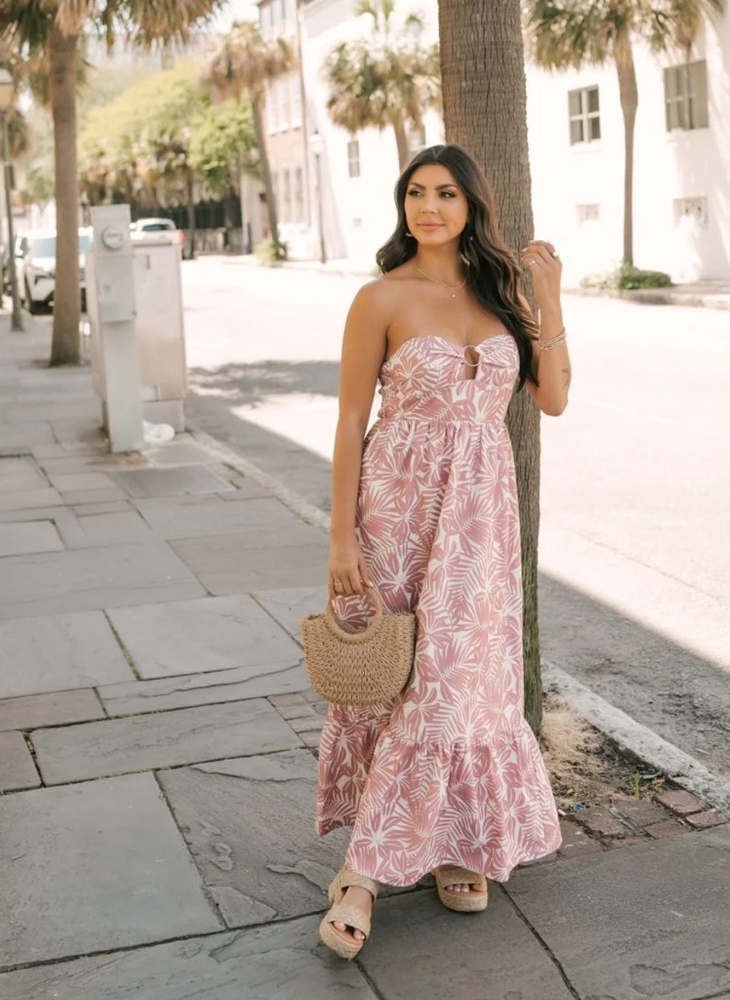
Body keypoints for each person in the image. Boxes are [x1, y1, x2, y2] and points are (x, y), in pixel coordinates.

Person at [316, 143, 571, 960]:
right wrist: (339, 534)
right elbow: (351, 421)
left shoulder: (503, 300)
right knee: (400, 680)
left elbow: (553, 398)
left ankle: (460, 843)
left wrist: (549, 296)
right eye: (416, 193)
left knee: (460, 682)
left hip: (481, 523)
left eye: (447, 194)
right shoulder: (380, 298)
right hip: (395, 510)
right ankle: (359, 872)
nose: (430, 207)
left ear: (472, 206)